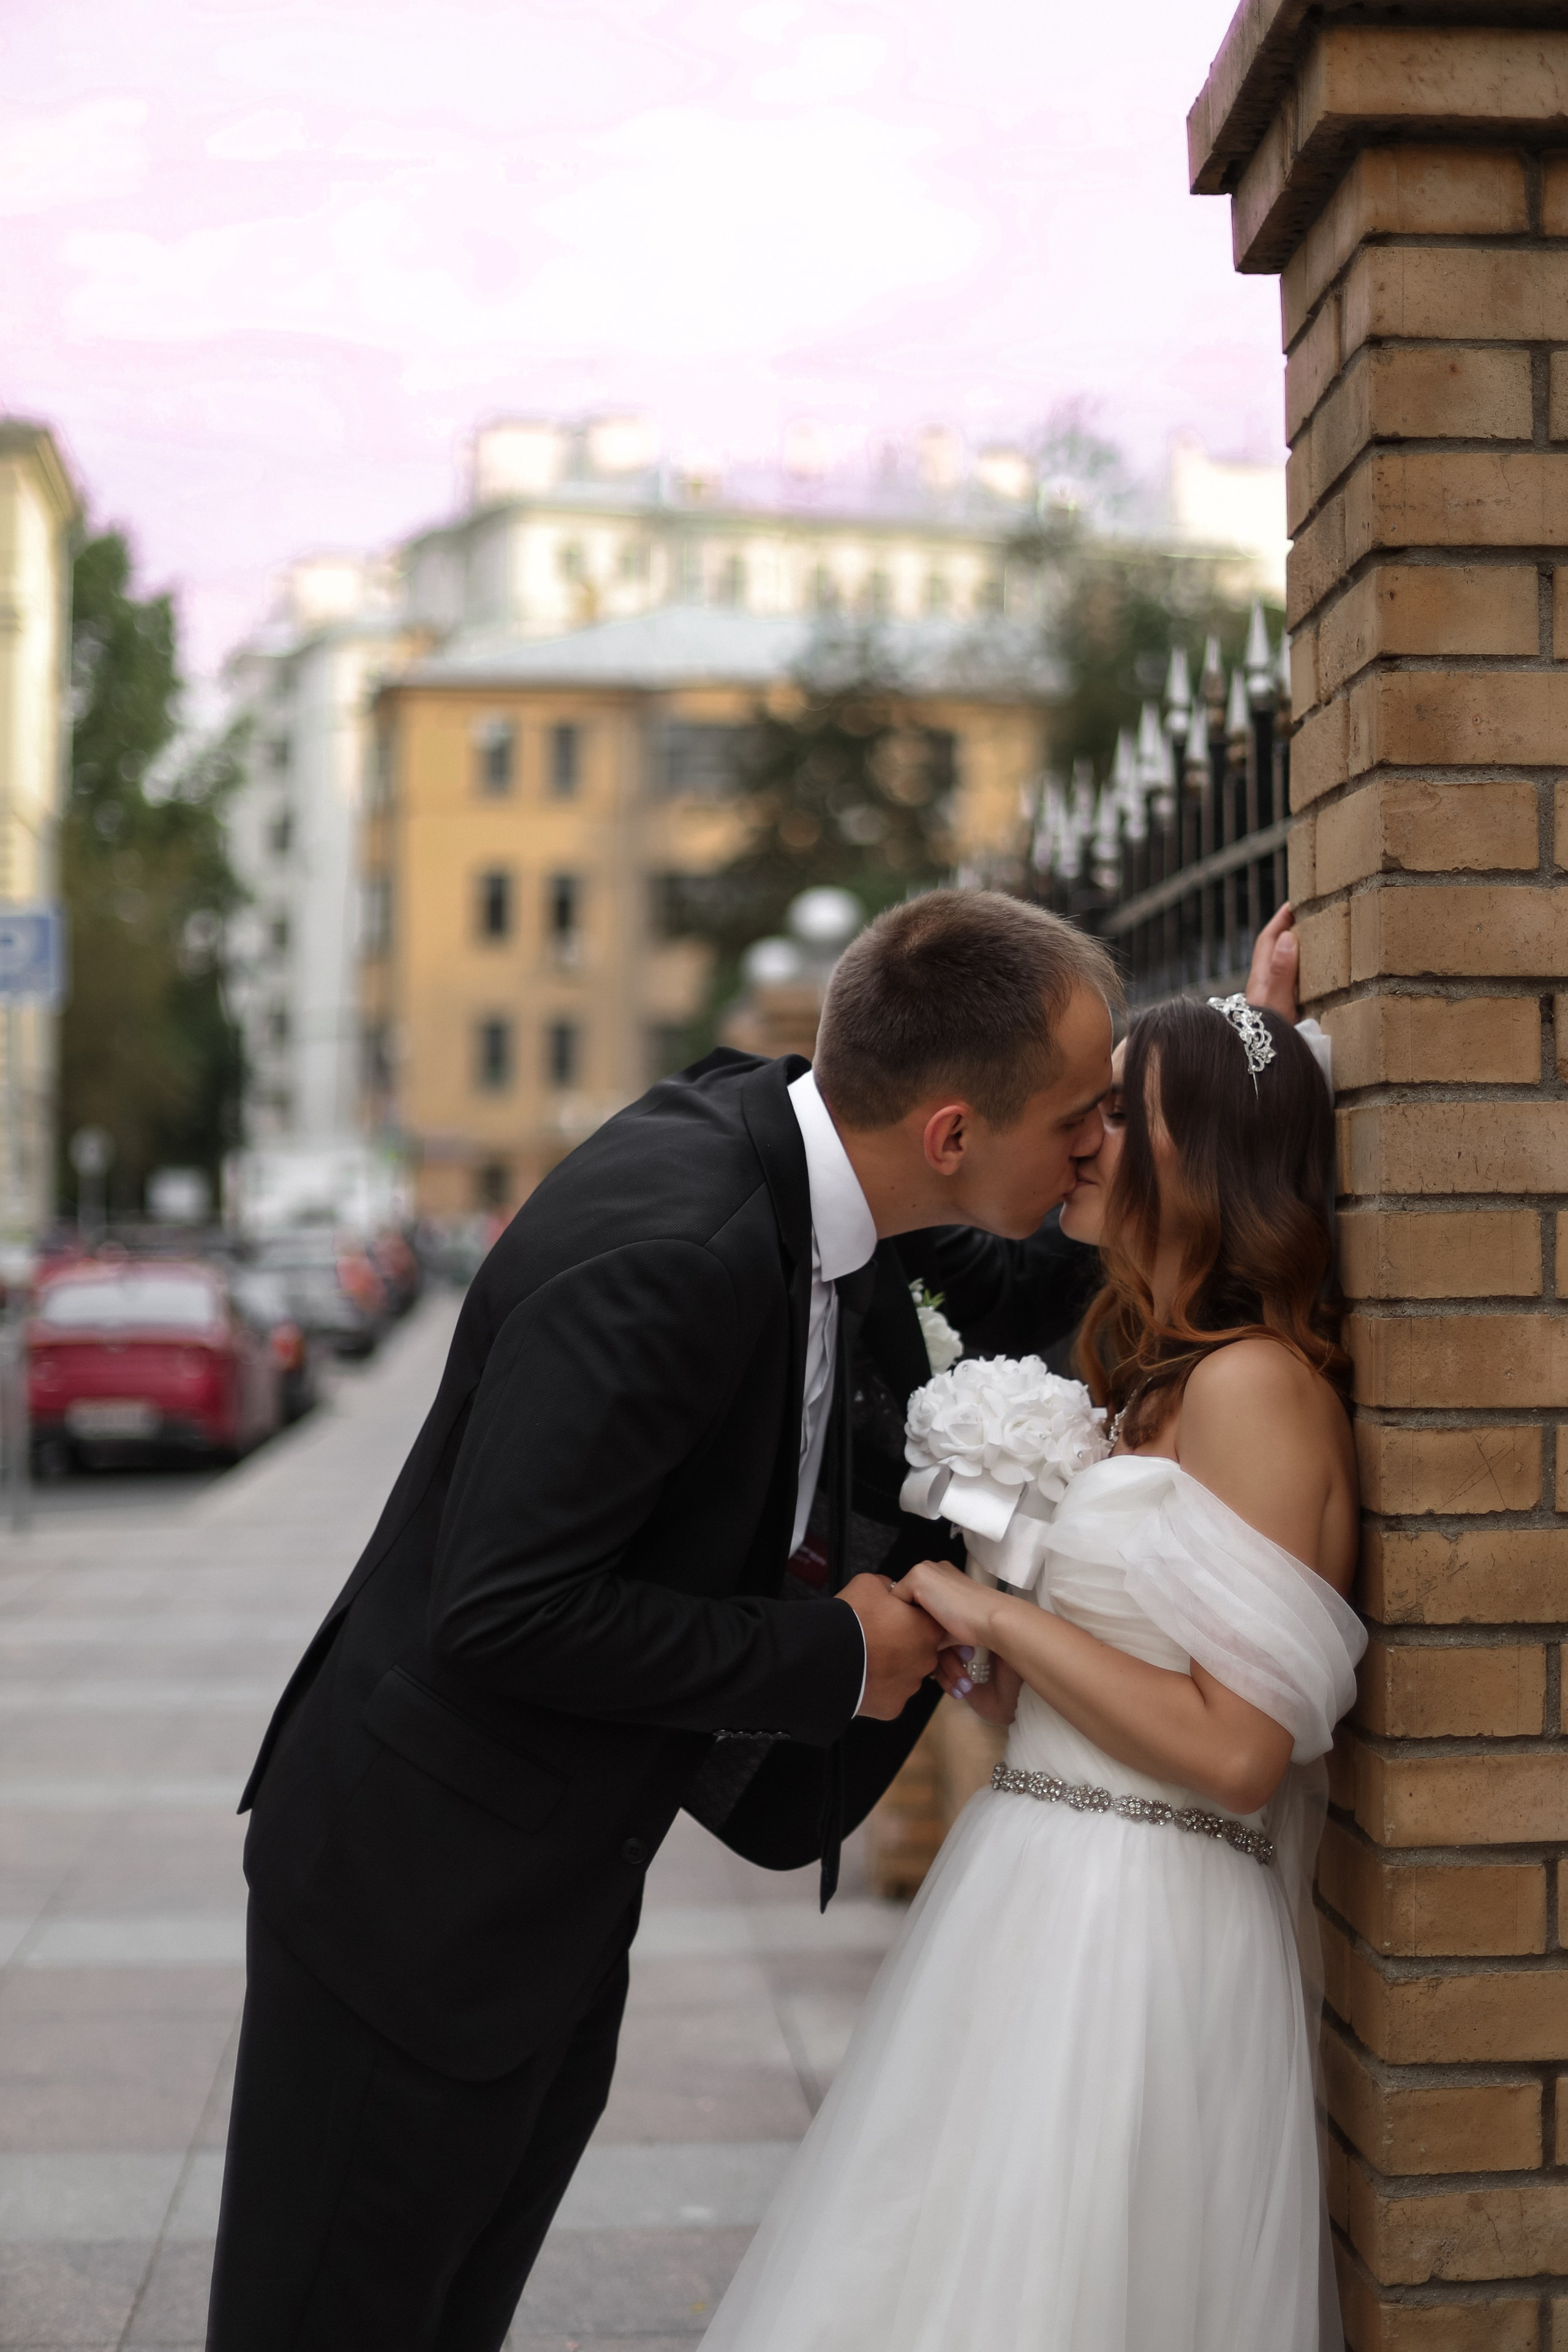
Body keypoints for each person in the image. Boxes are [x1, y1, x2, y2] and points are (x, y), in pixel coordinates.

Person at [205, 888, 1120, 2352]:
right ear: (950, 1131)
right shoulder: (675, 1249)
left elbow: (1023, 1286)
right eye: (1083, 1112)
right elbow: (502, 1611)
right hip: (414, 1905)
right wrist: (836, 1658)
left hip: (545, 1884)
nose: (1098, 1141)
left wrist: (1244, 1067)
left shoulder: (815, 1164)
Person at [698, 991, 1366, 2352]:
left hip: (1140, 1919)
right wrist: (1007, 1684)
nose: (1083, 1141)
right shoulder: (1152, 1374)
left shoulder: (1255, 1390)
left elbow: (1240, 1752)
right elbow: (1153, 1674)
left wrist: (1003, 1625)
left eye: (1119, 1113)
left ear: (1201, 1155)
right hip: (1034, 1880)